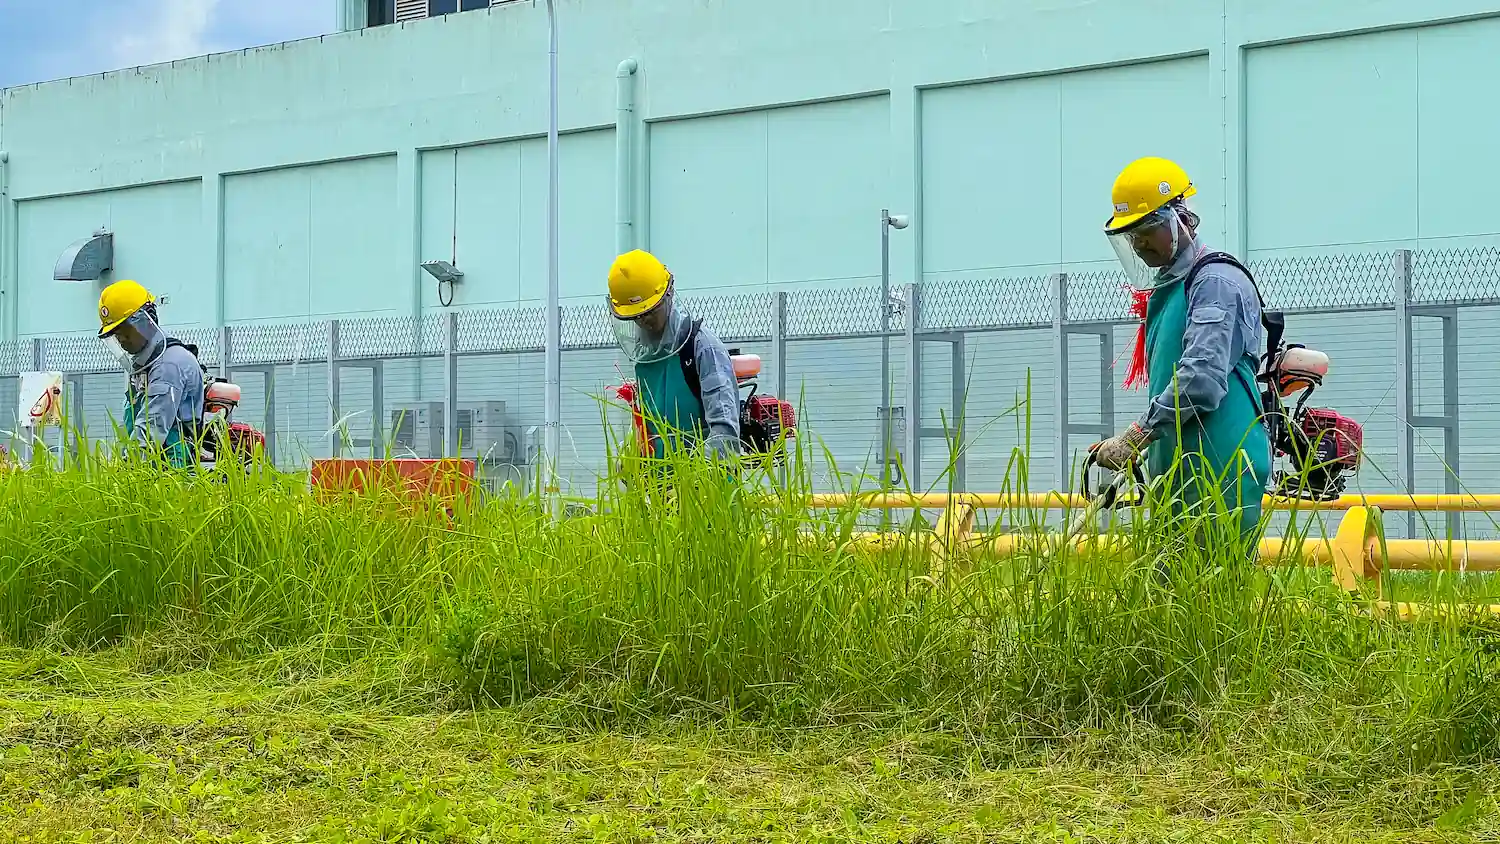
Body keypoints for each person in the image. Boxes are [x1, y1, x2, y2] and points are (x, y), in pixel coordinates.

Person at [1089, 157, 1270, 541]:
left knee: (1214, 592)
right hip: (1180, 470)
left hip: (1221, 468)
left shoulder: (1215, 282)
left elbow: (1200, 378)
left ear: (1181, 218)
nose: (1139, 244)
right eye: (1131, 235)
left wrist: (1136, 435)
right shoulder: (1172, 287)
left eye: (1147, 230)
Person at [607, 250, 741, 463]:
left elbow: (724, 431)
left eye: (650, 311)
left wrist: (691, 480)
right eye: (637, 317)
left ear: (668, 295)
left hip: (708, 486)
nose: (644, 322)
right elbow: (652, 429)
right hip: (660, 487)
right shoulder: (645, 357)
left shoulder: (702, 348)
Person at [97, 280, 205, 469]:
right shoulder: (145, 363)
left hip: (174, 470)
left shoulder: (168, 365)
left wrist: (127, 471)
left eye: (126, 330)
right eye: (116, 334)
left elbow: (150, 428)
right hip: (153, 466)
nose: (121, 339)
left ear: (147, 319)